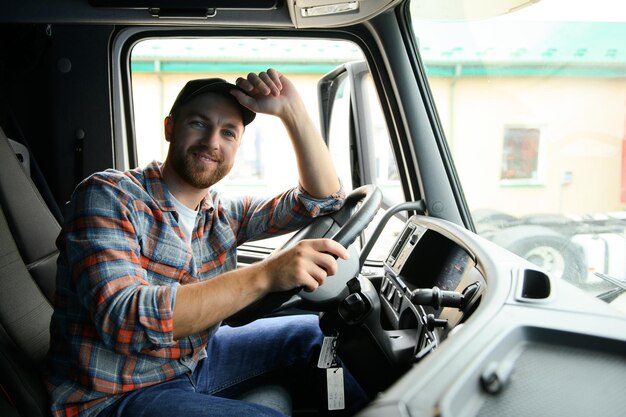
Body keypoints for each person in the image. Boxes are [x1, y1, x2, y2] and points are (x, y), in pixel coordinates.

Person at [46, 69, 369, 417]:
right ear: (170, 128)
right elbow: (126, 321)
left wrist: (292, 110)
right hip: (113, 395)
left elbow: (323, 199)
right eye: (199, 124)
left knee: (311, 335)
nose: (213, 142)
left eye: (228, 132)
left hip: (190, 363)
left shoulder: (221, 212)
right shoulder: (108, 195)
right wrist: (267, 275)